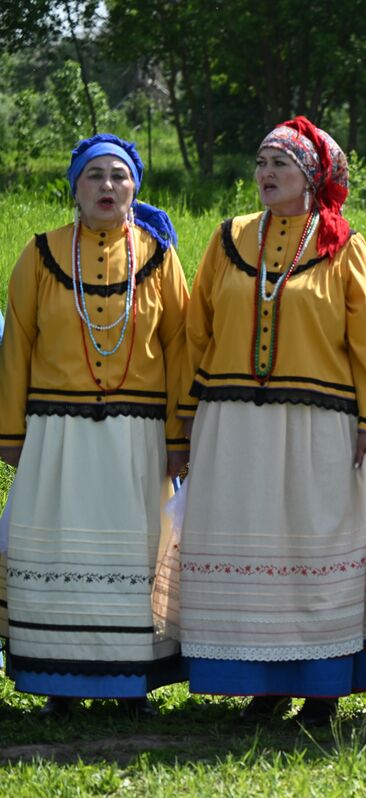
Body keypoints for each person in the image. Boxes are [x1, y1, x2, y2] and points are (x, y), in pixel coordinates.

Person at [169, 117, 366, 726]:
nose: (265, 173)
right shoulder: (229, 237)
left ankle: (321, 686)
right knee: (243, 544)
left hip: (320, 424)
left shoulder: (343, 245)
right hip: (232, 423)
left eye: (280, 165)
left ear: (310, 178)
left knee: (311, 548)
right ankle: (259, 683)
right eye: (261, 162)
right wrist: (185, 422)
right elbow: (196, 333)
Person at [0, 134, 189, 716]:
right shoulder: (40, 253)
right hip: (58, 432)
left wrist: (179, 438)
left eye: (119, 177)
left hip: (137, 433)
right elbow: (18, 347)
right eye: (94, 177)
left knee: (134, 552)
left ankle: (132, 680)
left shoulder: (158, 256)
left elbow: (182, 346)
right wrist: (11, 433)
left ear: (135, 187)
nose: (107, 187)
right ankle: (60, 679)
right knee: (60, 551)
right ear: (75, 188)